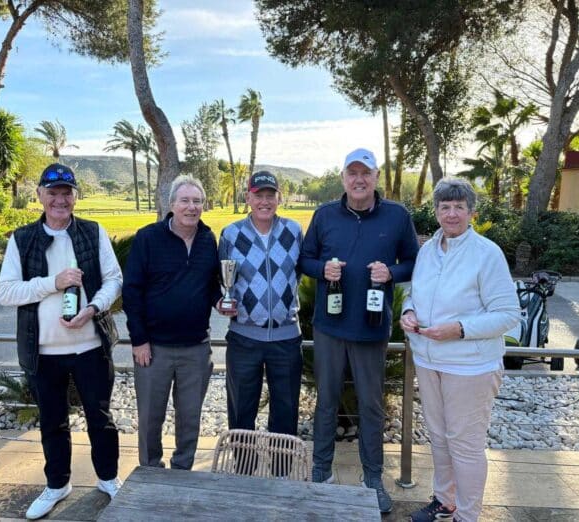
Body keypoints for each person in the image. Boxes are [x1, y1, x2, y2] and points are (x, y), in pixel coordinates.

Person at [0, 163, 123, 520]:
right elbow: (6, 292)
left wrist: (93, 308)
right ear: (39, 196)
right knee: (53, 422)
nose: (60, 199)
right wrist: (54, 281)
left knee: (101, 419)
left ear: (75, 197)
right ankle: (57, 485)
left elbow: (114, 279)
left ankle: (108, 479)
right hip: (44, 352)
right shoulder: (22, 239)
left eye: (67, 192)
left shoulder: (93, 232)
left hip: (90, 348)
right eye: (52, 193)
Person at [300, 148, 419, 513]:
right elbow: (305, 258)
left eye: (365, 173)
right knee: (326, 403)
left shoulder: (397, 216)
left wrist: (392, 273)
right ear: (343, 178)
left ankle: (372, 480)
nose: (359, 180)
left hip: (372, 330)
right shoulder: (324, 216)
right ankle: (321, 472)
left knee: (370, 406)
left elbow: (414, 262)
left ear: (376, 176)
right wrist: (322, 270)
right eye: (352, 173)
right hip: (329, 328)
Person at [401, 178, 520, 522]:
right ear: (436, 210)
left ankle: (466, 515)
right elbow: (415, 293)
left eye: (458, 207)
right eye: (444, 206)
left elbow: (508, 314)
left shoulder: (487, 253)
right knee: (438, 437)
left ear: (471, 212)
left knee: (464, 444)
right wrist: (409, 312)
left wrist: (460, 329)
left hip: (471, 367)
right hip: (428, 359)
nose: (451, 213)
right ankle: (444, 501)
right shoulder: (428, 249)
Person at [122, 174, 220, 471]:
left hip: (196, 347)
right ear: (172, 204)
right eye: (185, 201)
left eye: (197, 201)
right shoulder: (148, 237)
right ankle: (150, 469)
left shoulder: (207, 239)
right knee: (151, 417)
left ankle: (182, 469)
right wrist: (139, 340)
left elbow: (213, 283)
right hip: (154, 349)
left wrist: (220, 301)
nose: (192, 207)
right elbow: (132, 291)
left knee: (190, 416)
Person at [218, 171, 303, 453]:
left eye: (270, 195)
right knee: (242, 411)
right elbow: (220, 281)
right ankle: (244, 470)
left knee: (286, 410)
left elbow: (303, 272)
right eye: (259, 195)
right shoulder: (231, 234)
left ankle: (282, 471)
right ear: (248, 198)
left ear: (278, 198)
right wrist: (222, 301)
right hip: (243, 338)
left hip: (286, 337)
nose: (265, 201)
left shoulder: (293, 231)